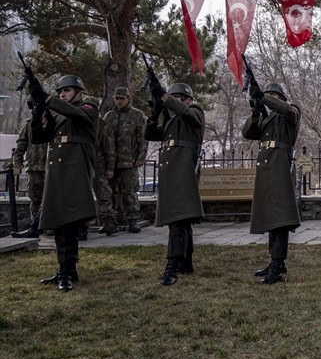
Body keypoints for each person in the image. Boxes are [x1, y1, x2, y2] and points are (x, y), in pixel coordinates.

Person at [30, 75, 99, 291]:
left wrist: (48, 99)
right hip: (58, 172)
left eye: (67, 91)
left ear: (78, 92)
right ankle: (66, 269)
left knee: (69, 223)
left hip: (74, 170)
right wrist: (38, 112)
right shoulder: (58, 115)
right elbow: (39, 137)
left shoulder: (89, 107)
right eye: (60, 92)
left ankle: (67, 271)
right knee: (59, 223)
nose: (62, 95)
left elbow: (78, 114)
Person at [145, 82, 205, 285]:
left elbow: (186, 113)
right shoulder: (171, 123)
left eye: (180, 97)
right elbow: (150, 134)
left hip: (184, 171)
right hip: (171, 172)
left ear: (188, 100)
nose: (176, 100)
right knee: (182, 219)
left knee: (178, 221)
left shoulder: (195, 113)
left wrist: (164, 97)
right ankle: (185, 263)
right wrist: (155, 112)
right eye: (174, 96)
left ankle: (172, 267)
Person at [243, 82, 301, 285]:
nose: (272, 98)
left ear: (282, 97)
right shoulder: (267, 119)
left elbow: (287, 111)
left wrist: (264, 98)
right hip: (266, 167)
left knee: (280, 219)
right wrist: (256, 112)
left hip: (279, 165)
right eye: (269, 95)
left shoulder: (290, 111)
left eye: (275, 95)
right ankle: (274, 261)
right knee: (270, 216)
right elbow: (248, 133)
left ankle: (278, 264)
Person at [100, 87, 148, 233]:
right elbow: (103, 139)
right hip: (111, 163)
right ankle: (110, 222)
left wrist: (141, 158)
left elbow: (143, 139)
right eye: (116, 98)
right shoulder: (109, 116)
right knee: (110, 192)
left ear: (129, 98)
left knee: (130, 192)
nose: (119, 101)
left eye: (122, 98)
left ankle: (133, 220)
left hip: (129, 162)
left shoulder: (138, 116)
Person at [9, 115, 49, 239]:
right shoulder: (29, 123)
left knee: (49, 199)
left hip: (50, 167)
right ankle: (36, 228)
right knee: (35, 198)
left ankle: (51, 226)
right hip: (33, 167)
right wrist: (17, 159)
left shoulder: (54, 120)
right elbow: (21, 142)